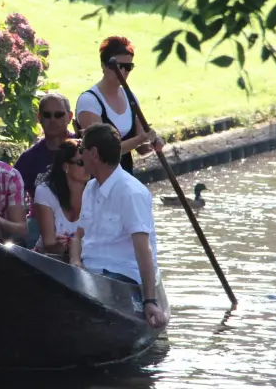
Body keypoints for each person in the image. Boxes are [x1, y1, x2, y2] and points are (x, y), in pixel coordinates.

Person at [68, 123, 166, 329]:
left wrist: (150, 301)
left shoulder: (131, 193)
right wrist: (75, 263)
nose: (79, 156)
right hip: (89, 273)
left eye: (81, 150)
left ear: (93, 153)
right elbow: (78, 237)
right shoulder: (91, 188)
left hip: (121, 276)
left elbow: (143, 250)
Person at [74, 36, 163, 176]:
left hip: (124, 178)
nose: (122, 71)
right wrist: (141, 139)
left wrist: (152, 143)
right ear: (103, 65)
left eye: (127, 67)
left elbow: (141, 147)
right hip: (97, 180)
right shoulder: (89, 101)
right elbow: (102, 151)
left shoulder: (130, 97)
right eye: (116, 66)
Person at [14, 92, 76, 202]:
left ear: (70, 116)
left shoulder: (83, 149)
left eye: (58, 115)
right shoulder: (28, 159)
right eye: (47, 115)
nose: (53, 120)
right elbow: (12, 193)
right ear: (39, 118)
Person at [31, 139, 89, 254]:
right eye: (81, 163)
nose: (88, 167)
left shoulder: (96, 192)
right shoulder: (45, 192)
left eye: (90, 161)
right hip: (47, 261)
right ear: (65, 166)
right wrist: (61, 246)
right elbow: (49, 244)